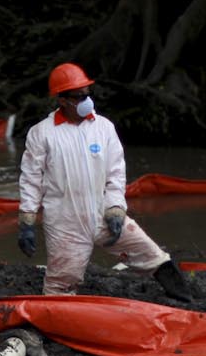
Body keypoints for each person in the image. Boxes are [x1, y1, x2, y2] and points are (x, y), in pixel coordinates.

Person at [17, 62, 191, 300]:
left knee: (151, 255)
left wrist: (116, 208)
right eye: (78, 97)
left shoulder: (103, 128)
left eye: (87, 94)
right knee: (61, 283)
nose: (85, 100)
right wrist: (27, 219)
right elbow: (31, 179)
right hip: (65, 221)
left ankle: (187, 298)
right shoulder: (42, 133)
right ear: (62, 100)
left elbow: (116, 173)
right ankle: (58, 319)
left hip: (102, 213)